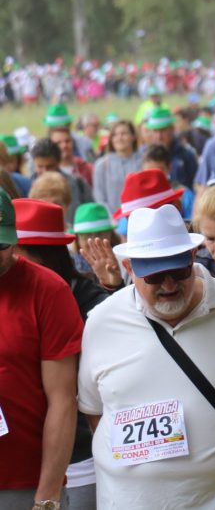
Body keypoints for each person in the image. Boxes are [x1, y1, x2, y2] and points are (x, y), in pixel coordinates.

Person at [78, 204, 215, 508]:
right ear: (130, 268)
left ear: (192, 257)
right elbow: (94, 410)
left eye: (179, 271)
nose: (170, 285)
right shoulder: (101, 321)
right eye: (155, 277)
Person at [13, 198, 109, 509]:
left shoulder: (93, 303)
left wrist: (116, 286)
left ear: (43, 258)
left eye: (14, 253)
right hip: (23, 459)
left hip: (83, 459)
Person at [0, 190, 83, 510]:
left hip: (25, 484)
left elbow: (62, 400)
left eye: (3, 246)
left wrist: (47, 497)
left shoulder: (47, 290)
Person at [31, 138, 92, 224]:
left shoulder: (77, 184)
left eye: (49, 167)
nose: (44, 171)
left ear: (58, 162)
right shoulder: (28, 186)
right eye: (40, 167)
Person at [92, 119, 141, 216]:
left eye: (124, 134)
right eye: (115, 135)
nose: (119, 138)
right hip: (113, 221)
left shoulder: (143, 161)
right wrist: (113, 220)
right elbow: (99, 197)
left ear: (133, 137)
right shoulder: (101, 165)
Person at [142, 107, 198, 190]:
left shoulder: (186, 155)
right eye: (155, 131)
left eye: (163, 130)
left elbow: (195, 185)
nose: (159, 136)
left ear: (172, 128)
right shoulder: (143, 154)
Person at [142, 145, 196, 221]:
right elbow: (123, 229)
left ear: (169, 168)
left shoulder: (184, 194)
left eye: (158, 174)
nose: (153, 179)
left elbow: (192, 224)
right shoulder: (138, 197)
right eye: (148, 173)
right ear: (142, 169)